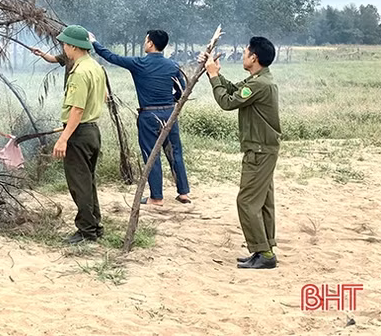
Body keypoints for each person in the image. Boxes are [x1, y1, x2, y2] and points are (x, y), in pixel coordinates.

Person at [203, 37, 281, 270]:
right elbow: (235, 90)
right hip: (263, 149)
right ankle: (264, 250)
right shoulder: (259, 80)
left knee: (246, 201)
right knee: (263, 201)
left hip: (259, 150)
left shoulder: (259, 84)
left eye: (246, 52)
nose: (243, 55)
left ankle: (264, 253)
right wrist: (214, 74)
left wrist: (213, 76)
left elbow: (227, 102)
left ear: (254, 57)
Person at [90, 30, 191, 205]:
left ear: (150, 43)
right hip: (170, 113)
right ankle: (183, 193)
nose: (145, 43)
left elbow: (111, 57)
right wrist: (171, 101)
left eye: (146, 40)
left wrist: (93, 42)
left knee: (151, 155)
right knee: (175, 152)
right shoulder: (173, 65)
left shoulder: (139, 63)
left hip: (149, 115)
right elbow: (182, 90)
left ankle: (156, 197)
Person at [53, 25, 107, 244]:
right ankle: (95, 225)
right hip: (92, 130)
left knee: (79, 184)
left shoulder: (79, 72)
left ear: (74, 46)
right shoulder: (95, 67)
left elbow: (77, 109)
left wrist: (64, 138)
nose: (64, 48)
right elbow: (103, 97)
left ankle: (86, 231)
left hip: (79, 133)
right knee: (88, 181)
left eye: (65, 44)